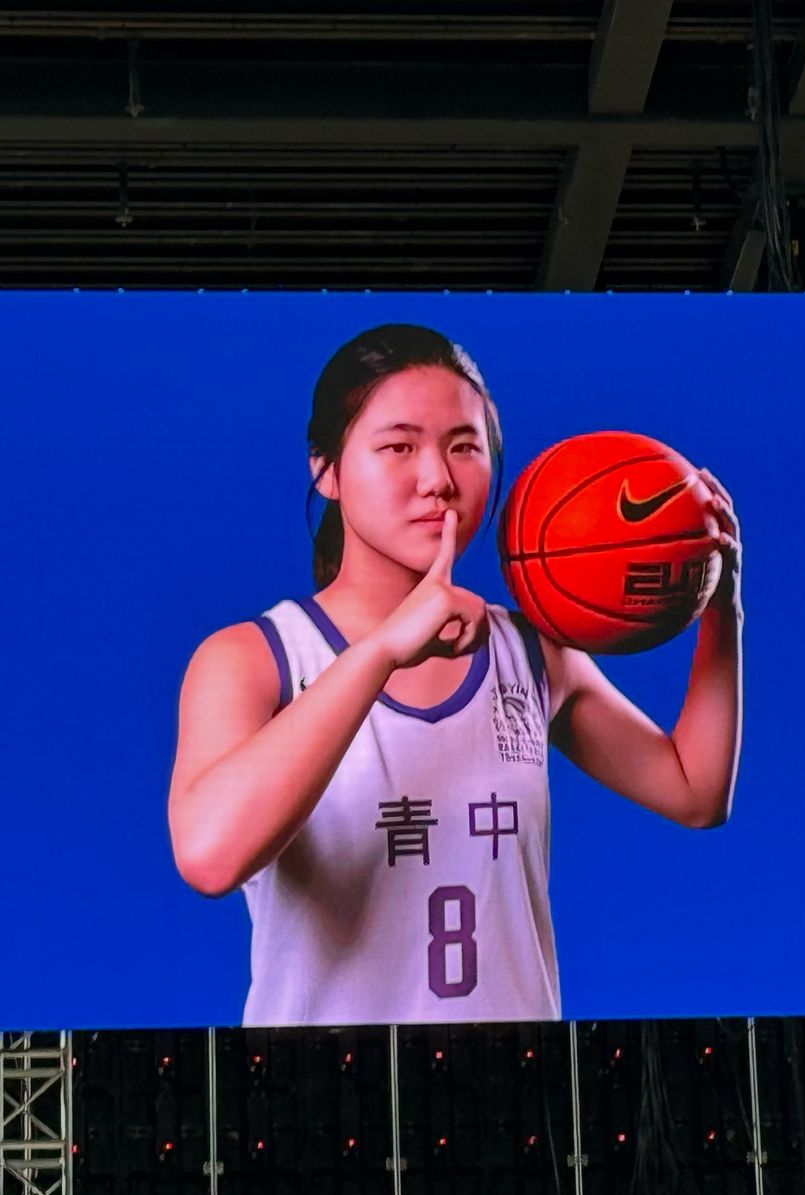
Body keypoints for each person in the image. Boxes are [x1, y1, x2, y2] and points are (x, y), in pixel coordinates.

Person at [167, 323, 742, 1027]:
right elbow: (209, 858)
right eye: (399, 446)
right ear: (326, 470)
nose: (438, 479)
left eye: (464, 447)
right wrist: (380, 653)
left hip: (511, 1081)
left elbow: (694, 791)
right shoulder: (257, 657)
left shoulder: (530, 651)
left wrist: (722, 608)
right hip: (323, 1085)